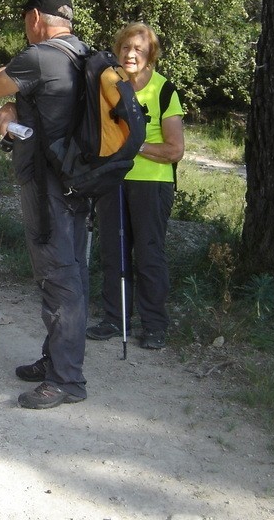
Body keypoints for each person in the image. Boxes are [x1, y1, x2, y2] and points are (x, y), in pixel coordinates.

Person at [0, 0, 90, 409]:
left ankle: (66, 380)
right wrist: (19, 108)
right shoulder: (83, 56)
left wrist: (8, 95)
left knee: (58, 277)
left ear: (35, 19)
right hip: (78, 182)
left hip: (48, 189)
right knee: (72, 271)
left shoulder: (39, 56)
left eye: (26, 20)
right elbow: (52, 110)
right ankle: (56, 359)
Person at [87, 22, 185, 350]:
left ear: (150, 55)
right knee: (114, 252)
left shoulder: (163, 90)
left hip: (151, 184)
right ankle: (115, 318)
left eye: (139, 49)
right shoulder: (108, 85)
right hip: (113, 179)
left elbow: (175, 149)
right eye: (126, 47)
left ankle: (155, 324)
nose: (131, 54)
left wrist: (133, 144)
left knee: (149, 254)